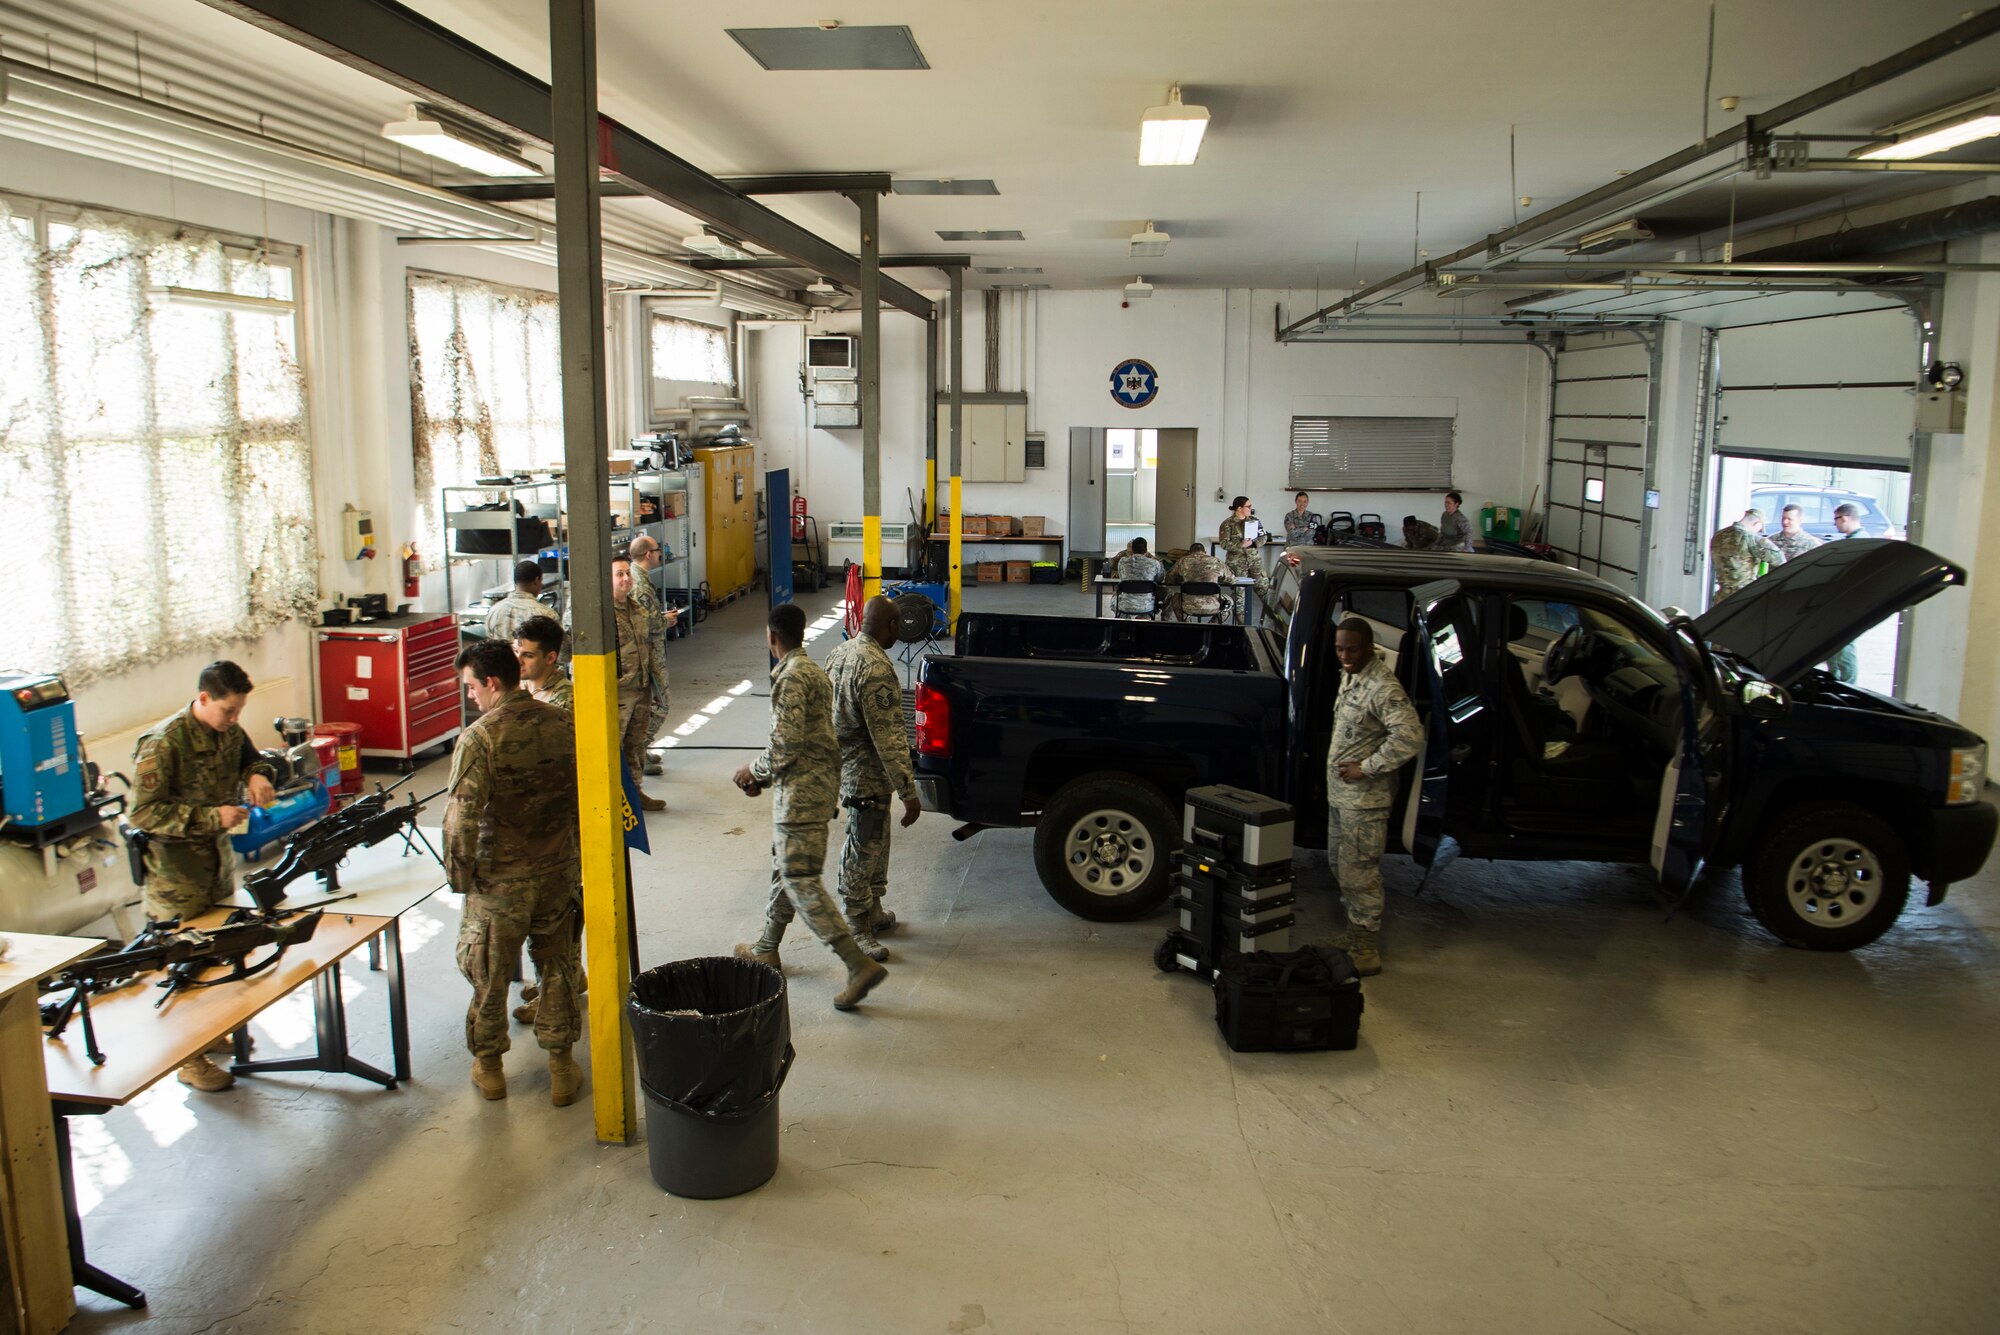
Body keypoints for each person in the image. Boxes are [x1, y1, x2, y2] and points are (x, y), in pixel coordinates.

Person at [129, 660, 279, 1093]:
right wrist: (210, 815)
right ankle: (187, 1059)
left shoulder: (228, 731)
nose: (234, 720)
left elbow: (256, 759)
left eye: (238, 712)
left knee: (217, 951)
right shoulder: (164, 744)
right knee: (181, 961)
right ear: (203, 699)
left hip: (216, 866)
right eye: (228, 711)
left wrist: (255, 774)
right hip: (176, 876)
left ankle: (212, 1033)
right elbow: (142, 813)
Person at [445, 640, 583, 1105]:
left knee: (491, 974)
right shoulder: (566, 722)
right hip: (559, 872)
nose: (469, 697)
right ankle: (561, 1067)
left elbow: (461, 818)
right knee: (558, 967)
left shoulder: (480, 737)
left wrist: (461, 881)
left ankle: (490, 1069)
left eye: (470, 687)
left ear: (491, 683)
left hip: (500, 883)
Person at [733, 604, 889, 1010]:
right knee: (786, 868)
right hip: (817, 789)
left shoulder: (790, 678)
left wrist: (753, 770)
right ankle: (767, 946)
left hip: (800, 797)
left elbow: (784, 746)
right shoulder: (815, 672)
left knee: (801, 880)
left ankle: (858, 966)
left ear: (771, 637)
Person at [824, 596, 923, 962]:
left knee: (876, 840)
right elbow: (889, 738)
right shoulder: (877, 669)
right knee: (863, 846)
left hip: (846, 763)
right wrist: (908, 791)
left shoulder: (840, 653)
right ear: (892, 626)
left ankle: (874, 908)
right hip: (865, 772)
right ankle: (855, 925)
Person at [1326, 618, 1424, 977]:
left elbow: (1410, 736)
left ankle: (1366, 950)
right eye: (1340, 649)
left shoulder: (1383, 687)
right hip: (1343, 798)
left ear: (1368, 648)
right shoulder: (1352, 676)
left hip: (1365, 801)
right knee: (1341, 867)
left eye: (1352, 649)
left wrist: (1367, 766)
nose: (1345, 656)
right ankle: (1354, 935)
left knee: (1360, 874)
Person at [609, 553, 666, 812]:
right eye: (619, 574)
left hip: (640, 689)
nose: (626, 578)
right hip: (618, 695)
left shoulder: (638, 610)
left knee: (636, 746)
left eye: (627, 573)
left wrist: (653, 685)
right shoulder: (602, 616)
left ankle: (635, 794)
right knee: (614, 749)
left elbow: (649, 647)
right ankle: (614, 800)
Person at [625, 535, 679, 777]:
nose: (661, 553)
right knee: (660, 704)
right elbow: (644, 624)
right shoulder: (640, 584)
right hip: (649, 654)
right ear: (649, 554)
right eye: (658, 550)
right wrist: (664, 620)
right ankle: (638, 751)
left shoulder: (636, 579)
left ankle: (640, 750)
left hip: (647, 652)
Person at [1217, 496, 1275, 623]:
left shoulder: (1254, 521)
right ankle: (1241, 624)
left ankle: (1272, 618)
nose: (1250, 509)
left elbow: (1264, 537)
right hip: (1237, 563)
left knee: (1264, 588)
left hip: (1254, 561)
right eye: (1248, 506)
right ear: (1239, 508)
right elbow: (1224, 544)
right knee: (1239, 594)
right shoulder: (1227, 524)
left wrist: (1253, 544)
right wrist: (1240, 545)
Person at [1709, 507, 1785, 601]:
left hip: (1721, 597)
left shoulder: (1718, 536)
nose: (1757, 533)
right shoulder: (1750, 538)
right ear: (1756, 524)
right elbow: (1780, 559)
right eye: (1759, 530)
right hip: (1744, 598)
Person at [1828, 503, 1865, 682]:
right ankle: (1838, 680)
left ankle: (1848, 684)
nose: (1835, 525)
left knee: (1844, 648)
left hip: (1848, 604)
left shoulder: (1855, 543)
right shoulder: (1859, 539)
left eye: (1836, 520)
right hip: (1847, 602)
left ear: (1844, 518)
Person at [513, 614, 572, 712]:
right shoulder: (514, 687)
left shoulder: (567, 700)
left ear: (550, 658)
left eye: (528, 655)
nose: (518, 661)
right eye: (515, 651)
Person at [484, 560, 550, 642]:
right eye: (541, 581)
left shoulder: (494, 611)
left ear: (515, 581)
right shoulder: (546, 614)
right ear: (536, 581)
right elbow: (561, 650)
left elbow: (489, 644)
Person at [1162, 541, 1229, 621]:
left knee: (1175, 598)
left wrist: (1180, 579)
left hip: (1188, 604)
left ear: (1189, 553)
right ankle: (1213, 625)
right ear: (1205, 552)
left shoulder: (1182, 561)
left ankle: (1187, 625)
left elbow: (1169, 579)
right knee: (1229, 601)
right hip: (1213, 604)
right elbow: (1231, 580)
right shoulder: (1217, 561)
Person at [1111, 537, 1165, 616]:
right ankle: (1161, 620)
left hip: (1125, 605)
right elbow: (1159, 579)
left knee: (1114, 596)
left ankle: (1125, 621)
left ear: (1132, 550)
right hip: (1147, 605)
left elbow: (1122, 577)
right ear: (1146, 550)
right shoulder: (1155, 563)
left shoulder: (1122, 562)